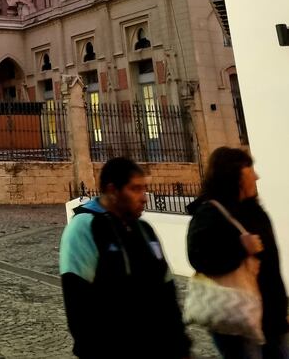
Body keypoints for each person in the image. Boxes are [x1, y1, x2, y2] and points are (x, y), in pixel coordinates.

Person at [59, 156, 190, 359]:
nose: (144, 197)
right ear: (112, 191)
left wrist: (181, 346)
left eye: (143, 189)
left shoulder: (145, 230)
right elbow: (78, 306)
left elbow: (167, 293)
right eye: (135, 189)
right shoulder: (83, 229)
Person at [187, 147, 289, 359]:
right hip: (238, 321)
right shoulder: (210, 212)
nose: (257, 177)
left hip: (271, 317)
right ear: (234, 176)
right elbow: (200, 257)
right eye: (250, 171)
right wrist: (239, 248)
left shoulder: (254, 210)